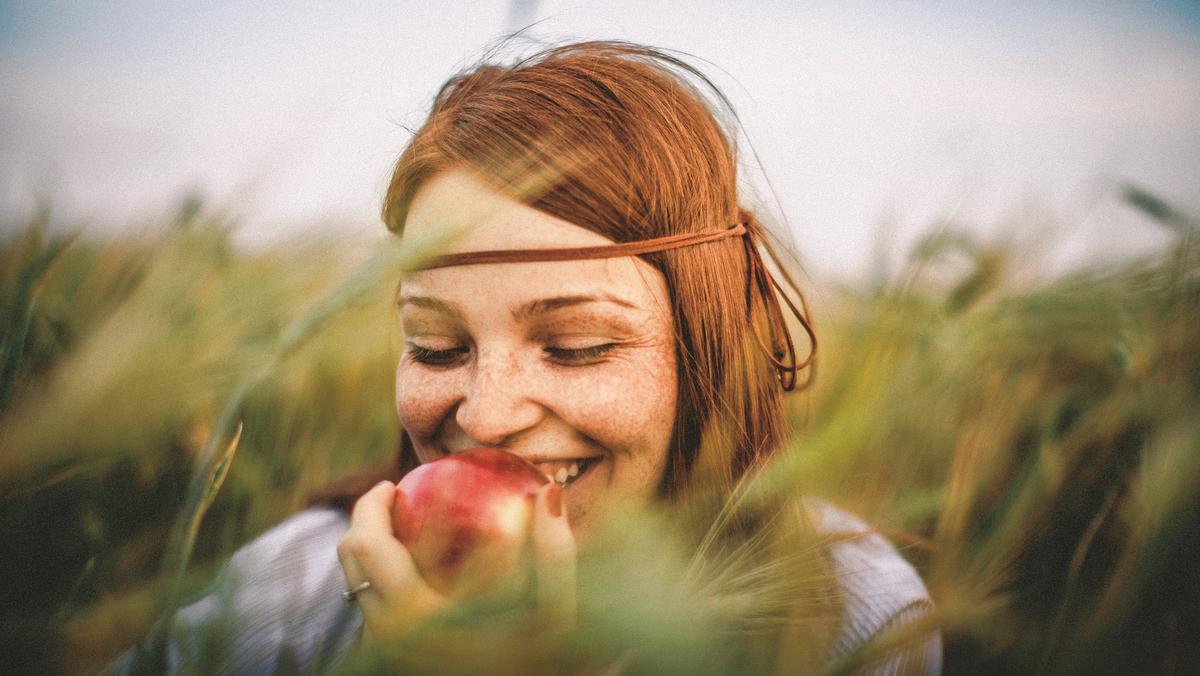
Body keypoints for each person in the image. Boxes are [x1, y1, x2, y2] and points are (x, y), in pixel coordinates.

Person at [111, 40, 940, 674]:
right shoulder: (284, 596)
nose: (487, 415)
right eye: (436, 346)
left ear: (708, 350)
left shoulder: (849, 619)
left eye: (575, 347)